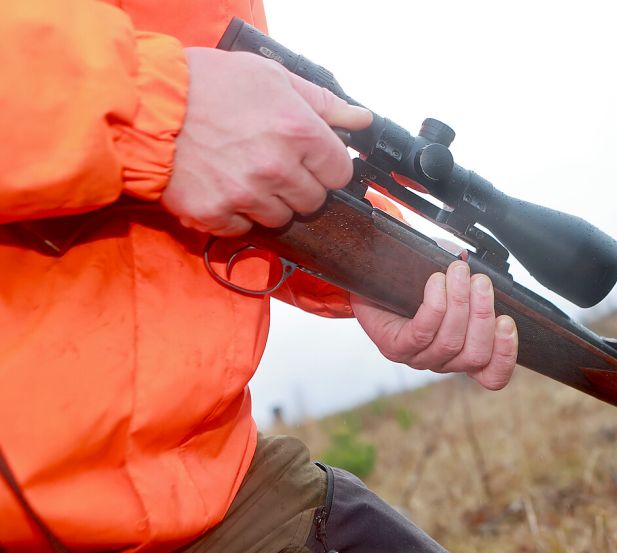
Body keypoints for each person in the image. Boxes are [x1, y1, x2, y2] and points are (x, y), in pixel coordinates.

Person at [0, 1, 518, 551]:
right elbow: (180, 119)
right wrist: (150, 110)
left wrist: (380, 271)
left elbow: (236, 171)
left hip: (200, 476)